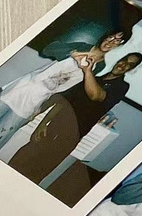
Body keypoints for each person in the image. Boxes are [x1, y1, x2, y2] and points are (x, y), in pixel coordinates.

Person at [8, 52, 142, 184]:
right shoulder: (95, 79)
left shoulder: (121, 86)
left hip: (71, 135)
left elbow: (96, 96)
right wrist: (43, 123)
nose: (124, 65)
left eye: (130, 65)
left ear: (131, 69)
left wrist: (88, 71)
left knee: (37, 171)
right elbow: (63, 101)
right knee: (23, 157)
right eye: (124, 60)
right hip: (54, 126)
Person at [0, 29, 129, 149]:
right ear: (105, 36)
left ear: (119, 45)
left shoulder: (100, 67)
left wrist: (41, 110)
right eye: (111, 37)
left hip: (33, 102)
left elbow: (68, 92)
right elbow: (47, 49)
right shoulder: (82, 46)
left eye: (117, 40)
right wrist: (73, 53)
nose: (111, 42)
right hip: (20, 88)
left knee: (3, 134)